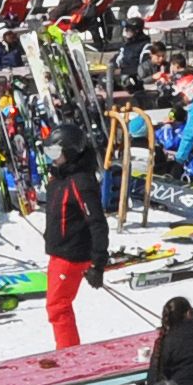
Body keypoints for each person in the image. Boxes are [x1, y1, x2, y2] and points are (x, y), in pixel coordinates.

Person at [39, 126, 109, 352]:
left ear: (70, 152)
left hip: (72, 255)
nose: (53, 159)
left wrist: (98, 263)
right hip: (59, 252)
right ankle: (67, 351)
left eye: (56, 153)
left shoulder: (80, 181)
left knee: (58, 307)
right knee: (56, 306)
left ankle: (69, 355)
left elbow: (97, 222)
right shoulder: (59, 178)